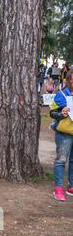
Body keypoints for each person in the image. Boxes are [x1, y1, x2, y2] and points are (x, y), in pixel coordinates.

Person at [50, 69, 73, 201]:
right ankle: (58, 188)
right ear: (69, 80)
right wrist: (61, 114)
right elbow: (52, 112)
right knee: (61, 160)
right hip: (64, 134)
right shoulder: (62, 95)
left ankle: (71, 186)